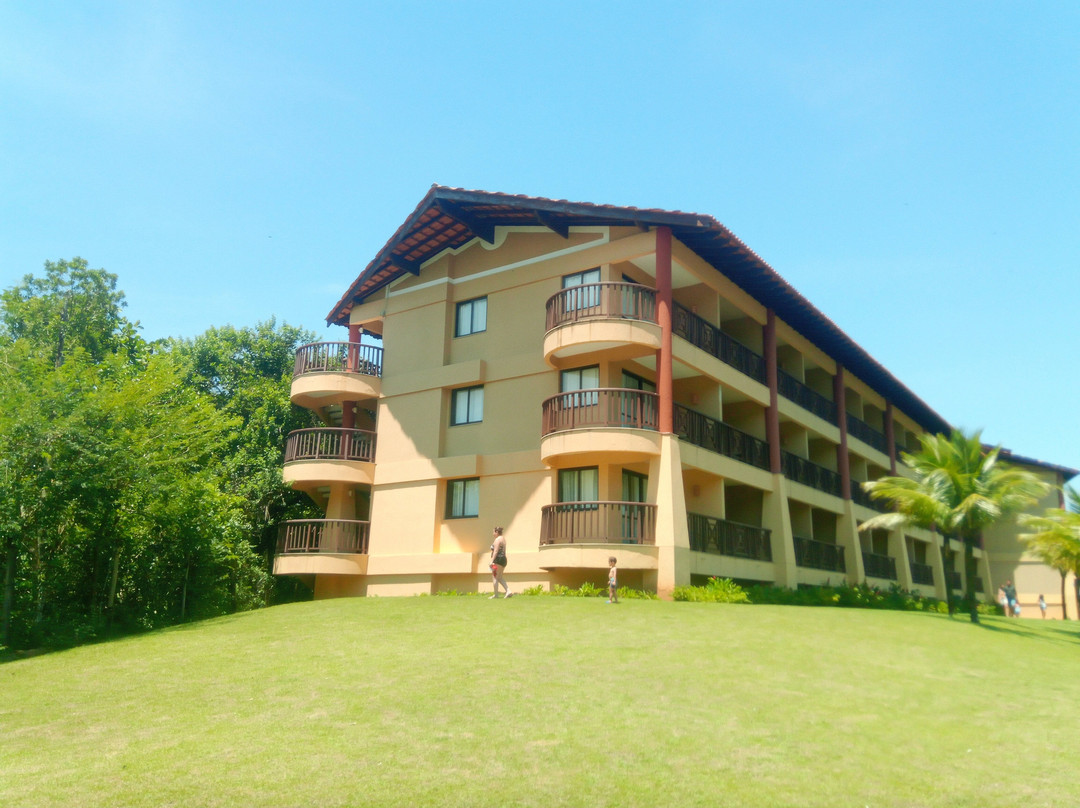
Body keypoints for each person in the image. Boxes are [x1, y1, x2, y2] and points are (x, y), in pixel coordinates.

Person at [489, 527, 511, 599]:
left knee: (494, 577)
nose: (493, 534)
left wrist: (492, 560)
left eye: (493, 532)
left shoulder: (497, 539)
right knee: (500, 577)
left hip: (497, 560)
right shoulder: (503, 539)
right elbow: (503, 551)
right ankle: (508, 591)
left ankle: (496, 595)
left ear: (496, 532)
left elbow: (495, 551)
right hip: (503, 560)